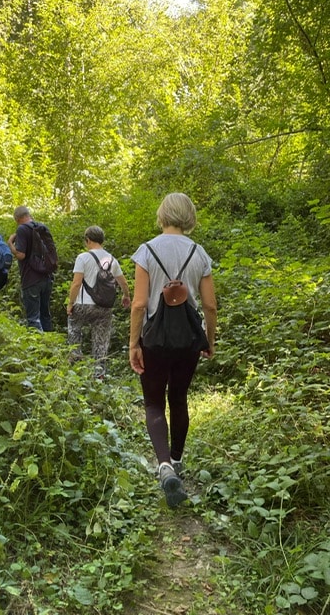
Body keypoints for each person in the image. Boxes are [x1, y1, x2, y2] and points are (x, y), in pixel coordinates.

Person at [129, 193, 217, 508]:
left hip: (153, 340)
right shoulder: (200, 253)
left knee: (153, 403)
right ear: (189, 216)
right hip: (187, 342)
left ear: (163, 214)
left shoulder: (147, 251)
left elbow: (139, 303)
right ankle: (177, 461)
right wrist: (209, 339)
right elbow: (209, 304)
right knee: (178, 399)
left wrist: (133, 343)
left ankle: (164, 466)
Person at [67, 225, 131, 376]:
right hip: (104, 307)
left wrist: (70, 303)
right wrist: (126, 296)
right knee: (101, 340)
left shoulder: (82, 258)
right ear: (102, 240)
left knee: (74, 327)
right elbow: (123, 283)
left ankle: (76, 367)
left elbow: (76, 283)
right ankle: (99, 374)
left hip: (83, 305)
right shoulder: (112, 260)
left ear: (88, 240)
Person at [8, 206, 55, 331]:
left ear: (17, 219)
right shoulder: (42, 227)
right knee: (45, 314)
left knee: (33, 318)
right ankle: (51, 344)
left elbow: (20, 255)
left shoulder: (22, 229)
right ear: (28, 215)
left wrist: (10, 244)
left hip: (31, 279)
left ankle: (39, 347)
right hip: (46, 276)